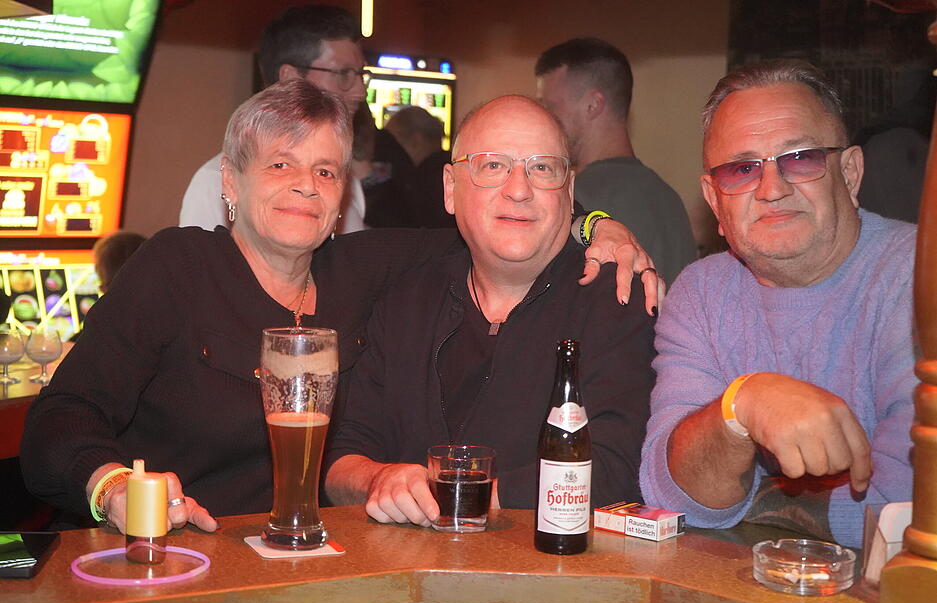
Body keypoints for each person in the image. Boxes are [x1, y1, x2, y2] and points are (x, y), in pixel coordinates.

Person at [22, 80, 662, 534]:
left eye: (326, 171)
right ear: (229, 181)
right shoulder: (176, 268)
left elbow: (504, 222)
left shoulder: (365, 269)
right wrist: (111, 489)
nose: (306, 184)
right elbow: (60, 419)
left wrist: (596, 225)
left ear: (342, 193)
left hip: (319, 559)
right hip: (178, 556)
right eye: (280, 164)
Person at [324, 95, 657, 526]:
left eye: (542, 168)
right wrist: (379, 479)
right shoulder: (405, 299)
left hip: (549, 582)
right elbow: (340, 459)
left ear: (569, 191)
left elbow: (618, 470)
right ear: (450, 188)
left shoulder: (617, 302)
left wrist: (459, 500)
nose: (519, 189)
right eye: (492, 166)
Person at [639, 59, 915, 548]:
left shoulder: (919, 276)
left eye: (800, 157)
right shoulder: (700, 293)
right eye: (742, 169)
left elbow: (908, 509)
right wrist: (742, 402)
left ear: (849, 174)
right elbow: (674, 493)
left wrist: (747, 497)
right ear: (714, 199)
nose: (772, 189)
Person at [179, 4, 370, 234]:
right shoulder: (215, 182)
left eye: (361, 74)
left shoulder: (343, 179)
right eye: (343, 74)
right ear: (289, 78)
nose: (360, 92)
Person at [535, 38, 697, 285]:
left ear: (593, 104)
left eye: (550, 107)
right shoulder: (669, 198)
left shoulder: (574, 197)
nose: (544, 120)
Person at [366, 106, 454, 229]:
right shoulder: (454, 169)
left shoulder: (420, 183)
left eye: (393, 141)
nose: (387, 149)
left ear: (416, 141)